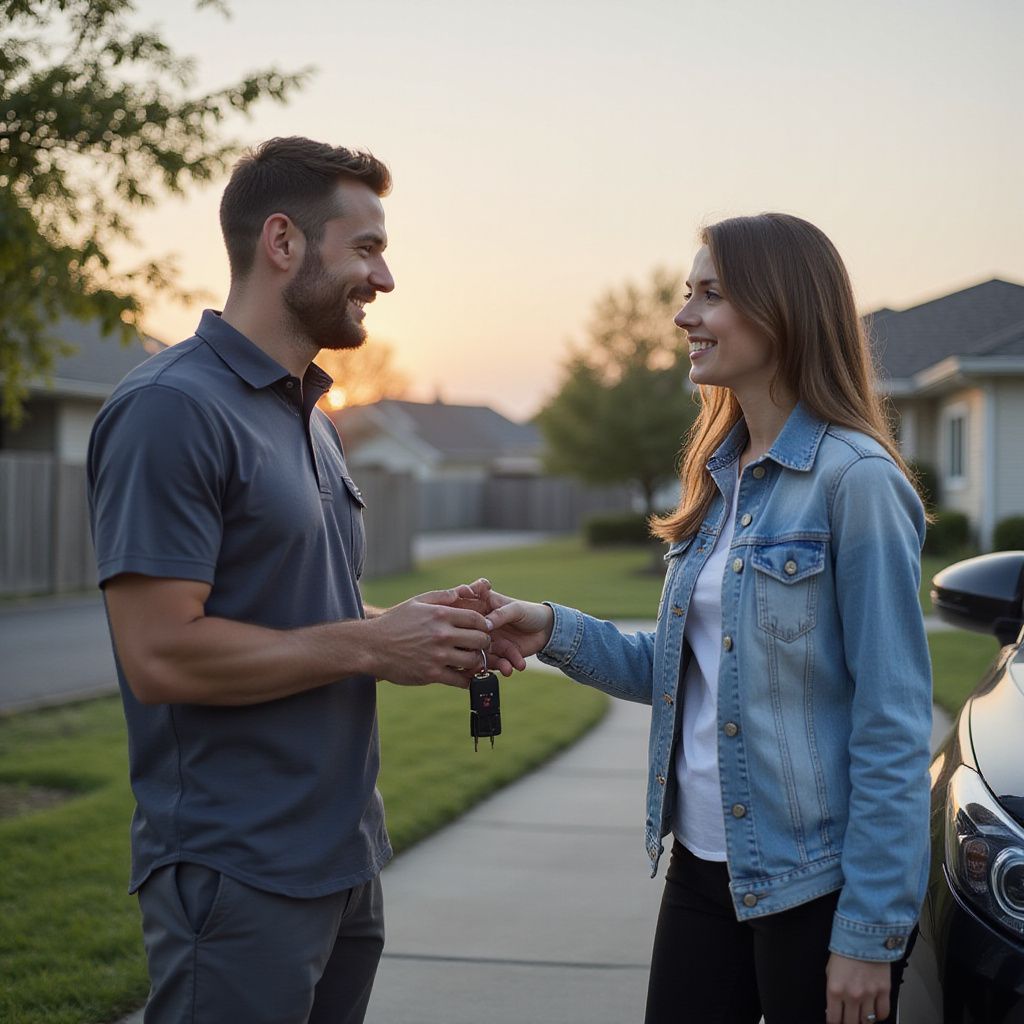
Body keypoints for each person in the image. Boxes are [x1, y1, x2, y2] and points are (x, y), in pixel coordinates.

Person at [477, 213, 932, 1024]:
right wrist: (549, 627)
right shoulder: (721, 480)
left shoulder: (854, 481)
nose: (684, 317)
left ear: (783, 309)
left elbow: (891, 723)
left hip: (816, 884)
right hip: (703, 869)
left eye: (710, 296)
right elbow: (688, 672)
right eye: (688, 295)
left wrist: (868, 933)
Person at [87, 136, 500, 1024]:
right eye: (367, 248)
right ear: (283, 243)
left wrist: (415, 631)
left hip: (342, 861)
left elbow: (307, 618)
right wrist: (368, 642)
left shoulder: (311, 414)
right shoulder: (171, 410)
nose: (383, 279)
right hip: (239, 872)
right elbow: (161, 656)